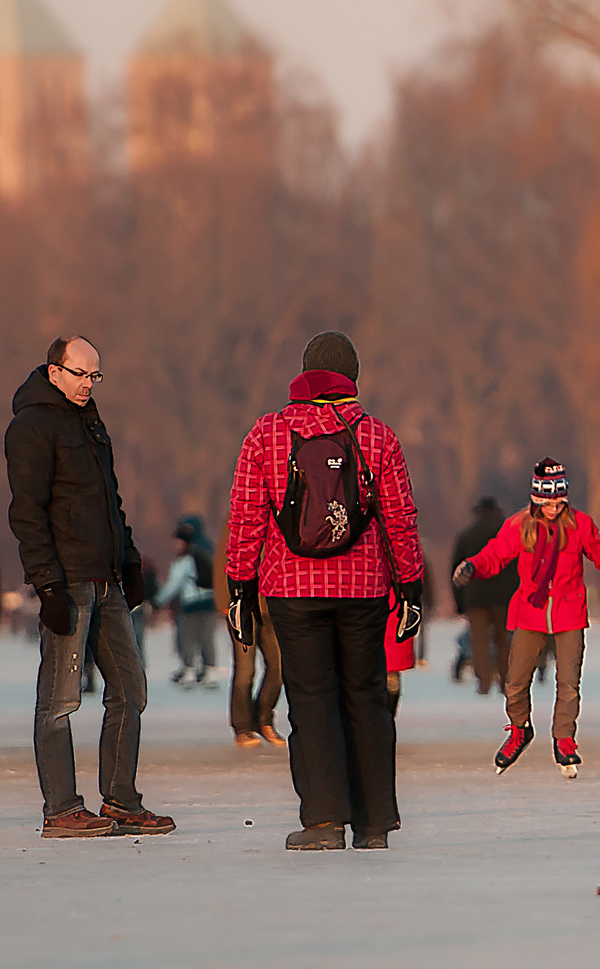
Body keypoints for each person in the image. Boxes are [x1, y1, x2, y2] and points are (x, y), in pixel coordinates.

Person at [224, 331, 424, 851]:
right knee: (367, 698)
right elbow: (399, 518)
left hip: (293, 589)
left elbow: (246, 516)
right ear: (351, 377)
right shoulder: (377, 435)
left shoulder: (266, 433)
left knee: (311, 701)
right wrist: (411, 587)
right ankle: (375, 822)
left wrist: (240, 588)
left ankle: (324, 821)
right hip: (363, 590)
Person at [7, 335, 171, 839]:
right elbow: (27, 513)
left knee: (129, 690)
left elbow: (109, 499)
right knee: (60, 699)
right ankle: (61, 809)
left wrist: (129, 558)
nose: (87, 384)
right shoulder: (31, 426)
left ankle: (121, 799)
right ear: (54, 371)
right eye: (80, 374)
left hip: (107, 581)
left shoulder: (91, 421)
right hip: (68, 582)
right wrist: (48, 585)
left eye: (95, 376)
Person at [456, 458, 600, 777]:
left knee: (568, 683)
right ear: (536, 498)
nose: (551, 506)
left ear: (565, 498)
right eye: (546, 500)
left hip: (568, 612)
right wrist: (473, 566)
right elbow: (496, 553)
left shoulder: (580, 525)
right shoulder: (519, 525)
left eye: (557, 500)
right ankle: (520, 730)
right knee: (515, 681)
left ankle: (564, 739)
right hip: (529, 612)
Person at [451, 497, 516, 696]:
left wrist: (460, 602)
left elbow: (455, 571)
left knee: (479, 643)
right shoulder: (508, 534)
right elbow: (519, 568)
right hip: (505, 598)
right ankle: (506, 682)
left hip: (475, 598)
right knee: (504, 641)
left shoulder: (466, 536)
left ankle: (484, 683)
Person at [226, 566, 286, 749]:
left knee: (280, 667)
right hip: (243, 605)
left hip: (273, 605)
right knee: (245, 671)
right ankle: (242, 727)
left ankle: (263, 718)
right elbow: (224, 560)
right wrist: (224, 602)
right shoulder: (236, 535)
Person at [159, 516, 219, 689]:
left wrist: (158, 601)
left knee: (188, 638)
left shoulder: (184, 560)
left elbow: (173, 585)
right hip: (209, 601)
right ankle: (209, 672)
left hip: (191, 604)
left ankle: (190, 670)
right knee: (207, 638)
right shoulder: (206, 549)